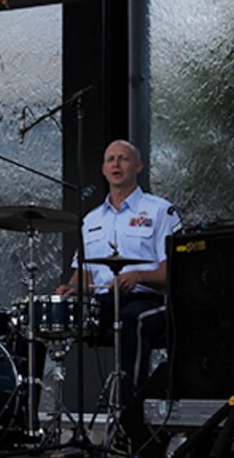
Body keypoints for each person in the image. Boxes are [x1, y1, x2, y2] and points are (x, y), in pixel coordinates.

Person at [56, 139, 180, 401]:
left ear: (138, 166)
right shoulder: (91, 219)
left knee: (131, 322)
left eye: (123, 158)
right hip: (103, 302)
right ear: (103, 169)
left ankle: (130, 414)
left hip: (149, 300)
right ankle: (25, 418)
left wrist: (139, 276)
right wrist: (71, 289)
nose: (116, 163)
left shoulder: (160, 210)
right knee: (40, 318)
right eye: (110, 159)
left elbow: (175, 272)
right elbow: (85, 274)